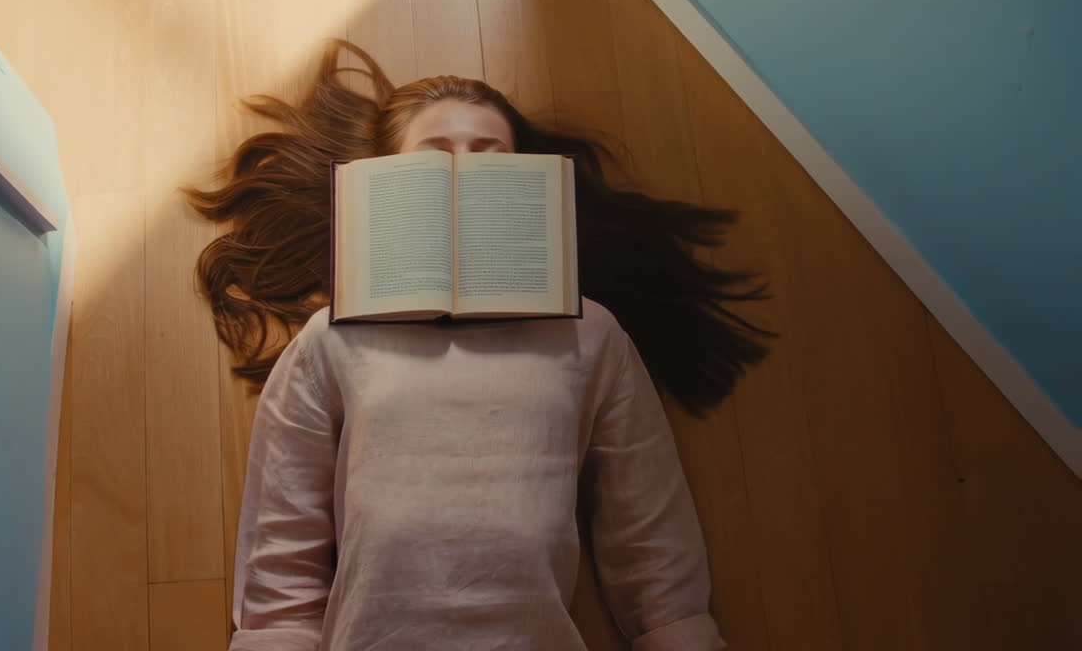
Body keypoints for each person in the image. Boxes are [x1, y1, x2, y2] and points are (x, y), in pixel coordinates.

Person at [187, 41, 770, 650]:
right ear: (387, 184)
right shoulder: (330, 342)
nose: (463, 174)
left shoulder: (588, 334)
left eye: (490, 157)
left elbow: (650, 529)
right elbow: (282, 553)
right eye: (436, 157)